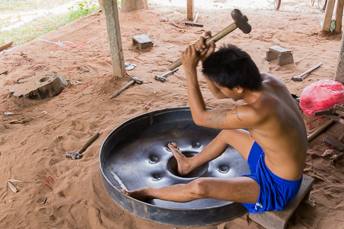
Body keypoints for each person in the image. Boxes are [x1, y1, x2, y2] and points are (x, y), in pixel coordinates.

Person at [128, 33, 308, 213]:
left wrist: (189, 70)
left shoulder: (254, 112)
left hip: (278, 185)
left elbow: (200, 118)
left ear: (238, 88)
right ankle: (188, 165)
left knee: (200, 187)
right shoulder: (269, 81)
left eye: (220, 85)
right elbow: (220, 93)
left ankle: (148, 192)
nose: (219, 90)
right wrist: (207, 62)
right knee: (229, 134)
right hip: (271, 160)